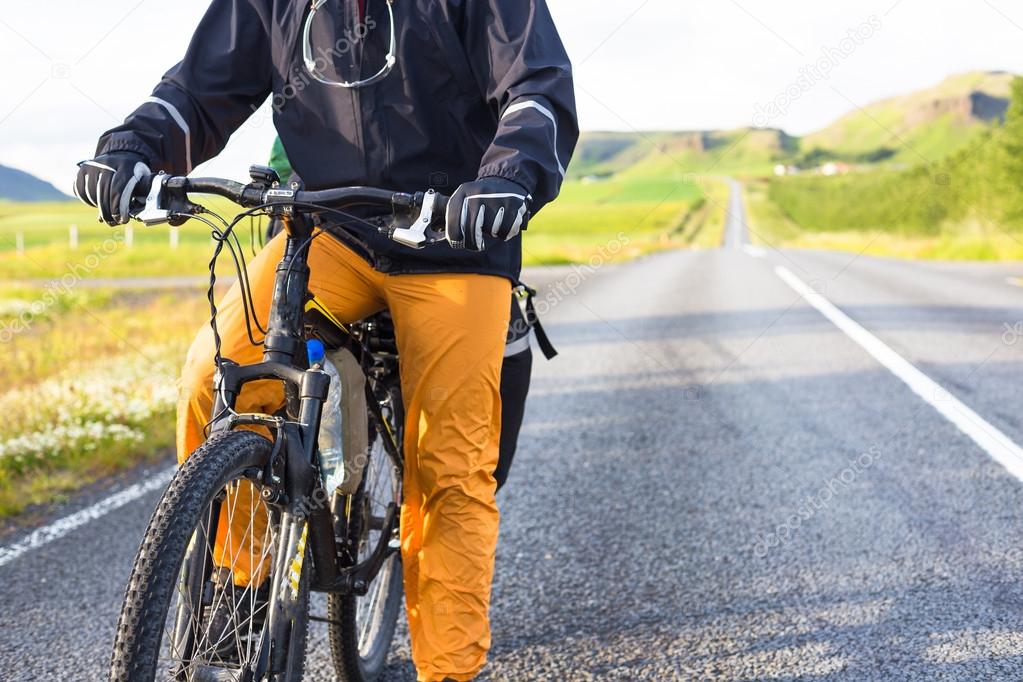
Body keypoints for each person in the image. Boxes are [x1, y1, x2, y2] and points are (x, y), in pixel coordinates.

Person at [73, 1, 577, 679]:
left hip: (452, 241)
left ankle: (449, 670)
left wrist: (507, 177)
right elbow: (196, 91)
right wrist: (132, 147)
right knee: (212, 375)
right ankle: (240, 592)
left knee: (448, 467)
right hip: (329, 230)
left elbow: (535, 91)